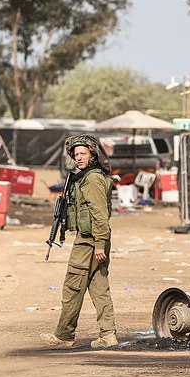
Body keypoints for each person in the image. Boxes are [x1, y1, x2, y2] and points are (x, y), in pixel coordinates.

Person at [41, 134, 117, 349]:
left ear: (93, 154)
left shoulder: (92, 179)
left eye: (83, 153)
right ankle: (108, 335)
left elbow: (99, 214)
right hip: (93, 239)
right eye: (76, 155)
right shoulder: (85, 177)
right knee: (99, 287)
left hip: (90, 241)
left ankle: (64, 335)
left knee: (73, 286)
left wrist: (99, 243)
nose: (79, 158)